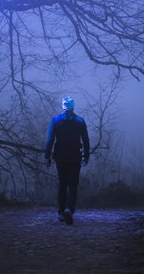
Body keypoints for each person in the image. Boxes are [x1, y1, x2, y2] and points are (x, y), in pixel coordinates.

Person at [45, 96, 90, 225]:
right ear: (73, 107)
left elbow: (50, 141)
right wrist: (86, 156)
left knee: (62, 184)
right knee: (73, 185)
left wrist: (47, 156)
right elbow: (86, 140)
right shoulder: (80, 121)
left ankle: (60, 212)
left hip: (60, 157)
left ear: (63, 106)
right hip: (75, 156)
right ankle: (69, 209)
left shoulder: (55, 120)